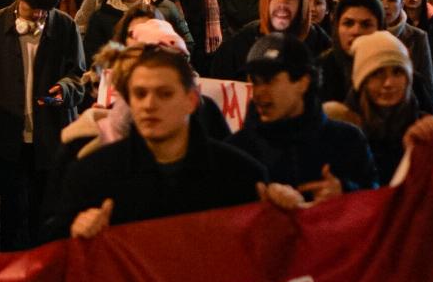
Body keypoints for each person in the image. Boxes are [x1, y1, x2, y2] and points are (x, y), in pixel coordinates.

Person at [46, 47, 278, 242]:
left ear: (191, 101)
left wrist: (286, 214)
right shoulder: (92, 175)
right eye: (140, 94)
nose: (149, 105)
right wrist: (75, 231)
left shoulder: (239, 175)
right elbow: (51, 250)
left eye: (164, 94)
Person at [0, 0, 86, 250]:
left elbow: (79, 78)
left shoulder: (64, 26)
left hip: (51, 136)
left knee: (44, 211)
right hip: (5, 137)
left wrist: (61, 93)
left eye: (45, 9)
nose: (39, 15)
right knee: (13, 209)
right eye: (34, 7)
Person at [227, 32, 378, 195]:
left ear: (303, 83)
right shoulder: (235, 152)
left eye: (269, 81)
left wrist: (344, 192)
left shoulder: (347, 141)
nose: (258, 93)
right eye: (255, 82)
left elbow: (374, 203)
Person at [334, 31, 433, 185]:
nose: (388, 83)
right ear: (362, 81)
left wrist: (415, 154)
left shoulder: (424, 129)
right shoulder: (342, 130)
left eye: (397, 72)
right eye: (378, 73)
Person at [372, 0, 433, 115]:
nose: (385, 5)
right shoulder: (367, 35)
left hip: (408, 114)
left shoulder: (418, 37)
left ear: (401, 2)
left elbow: (429, 88)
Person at [316, 0, 387, 104]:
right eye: (348, 23)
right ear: (337, 27)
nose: (356, 31)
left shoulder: (394, 68)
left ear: (380, 28)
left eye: (366, 24)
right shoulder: (320, 70)